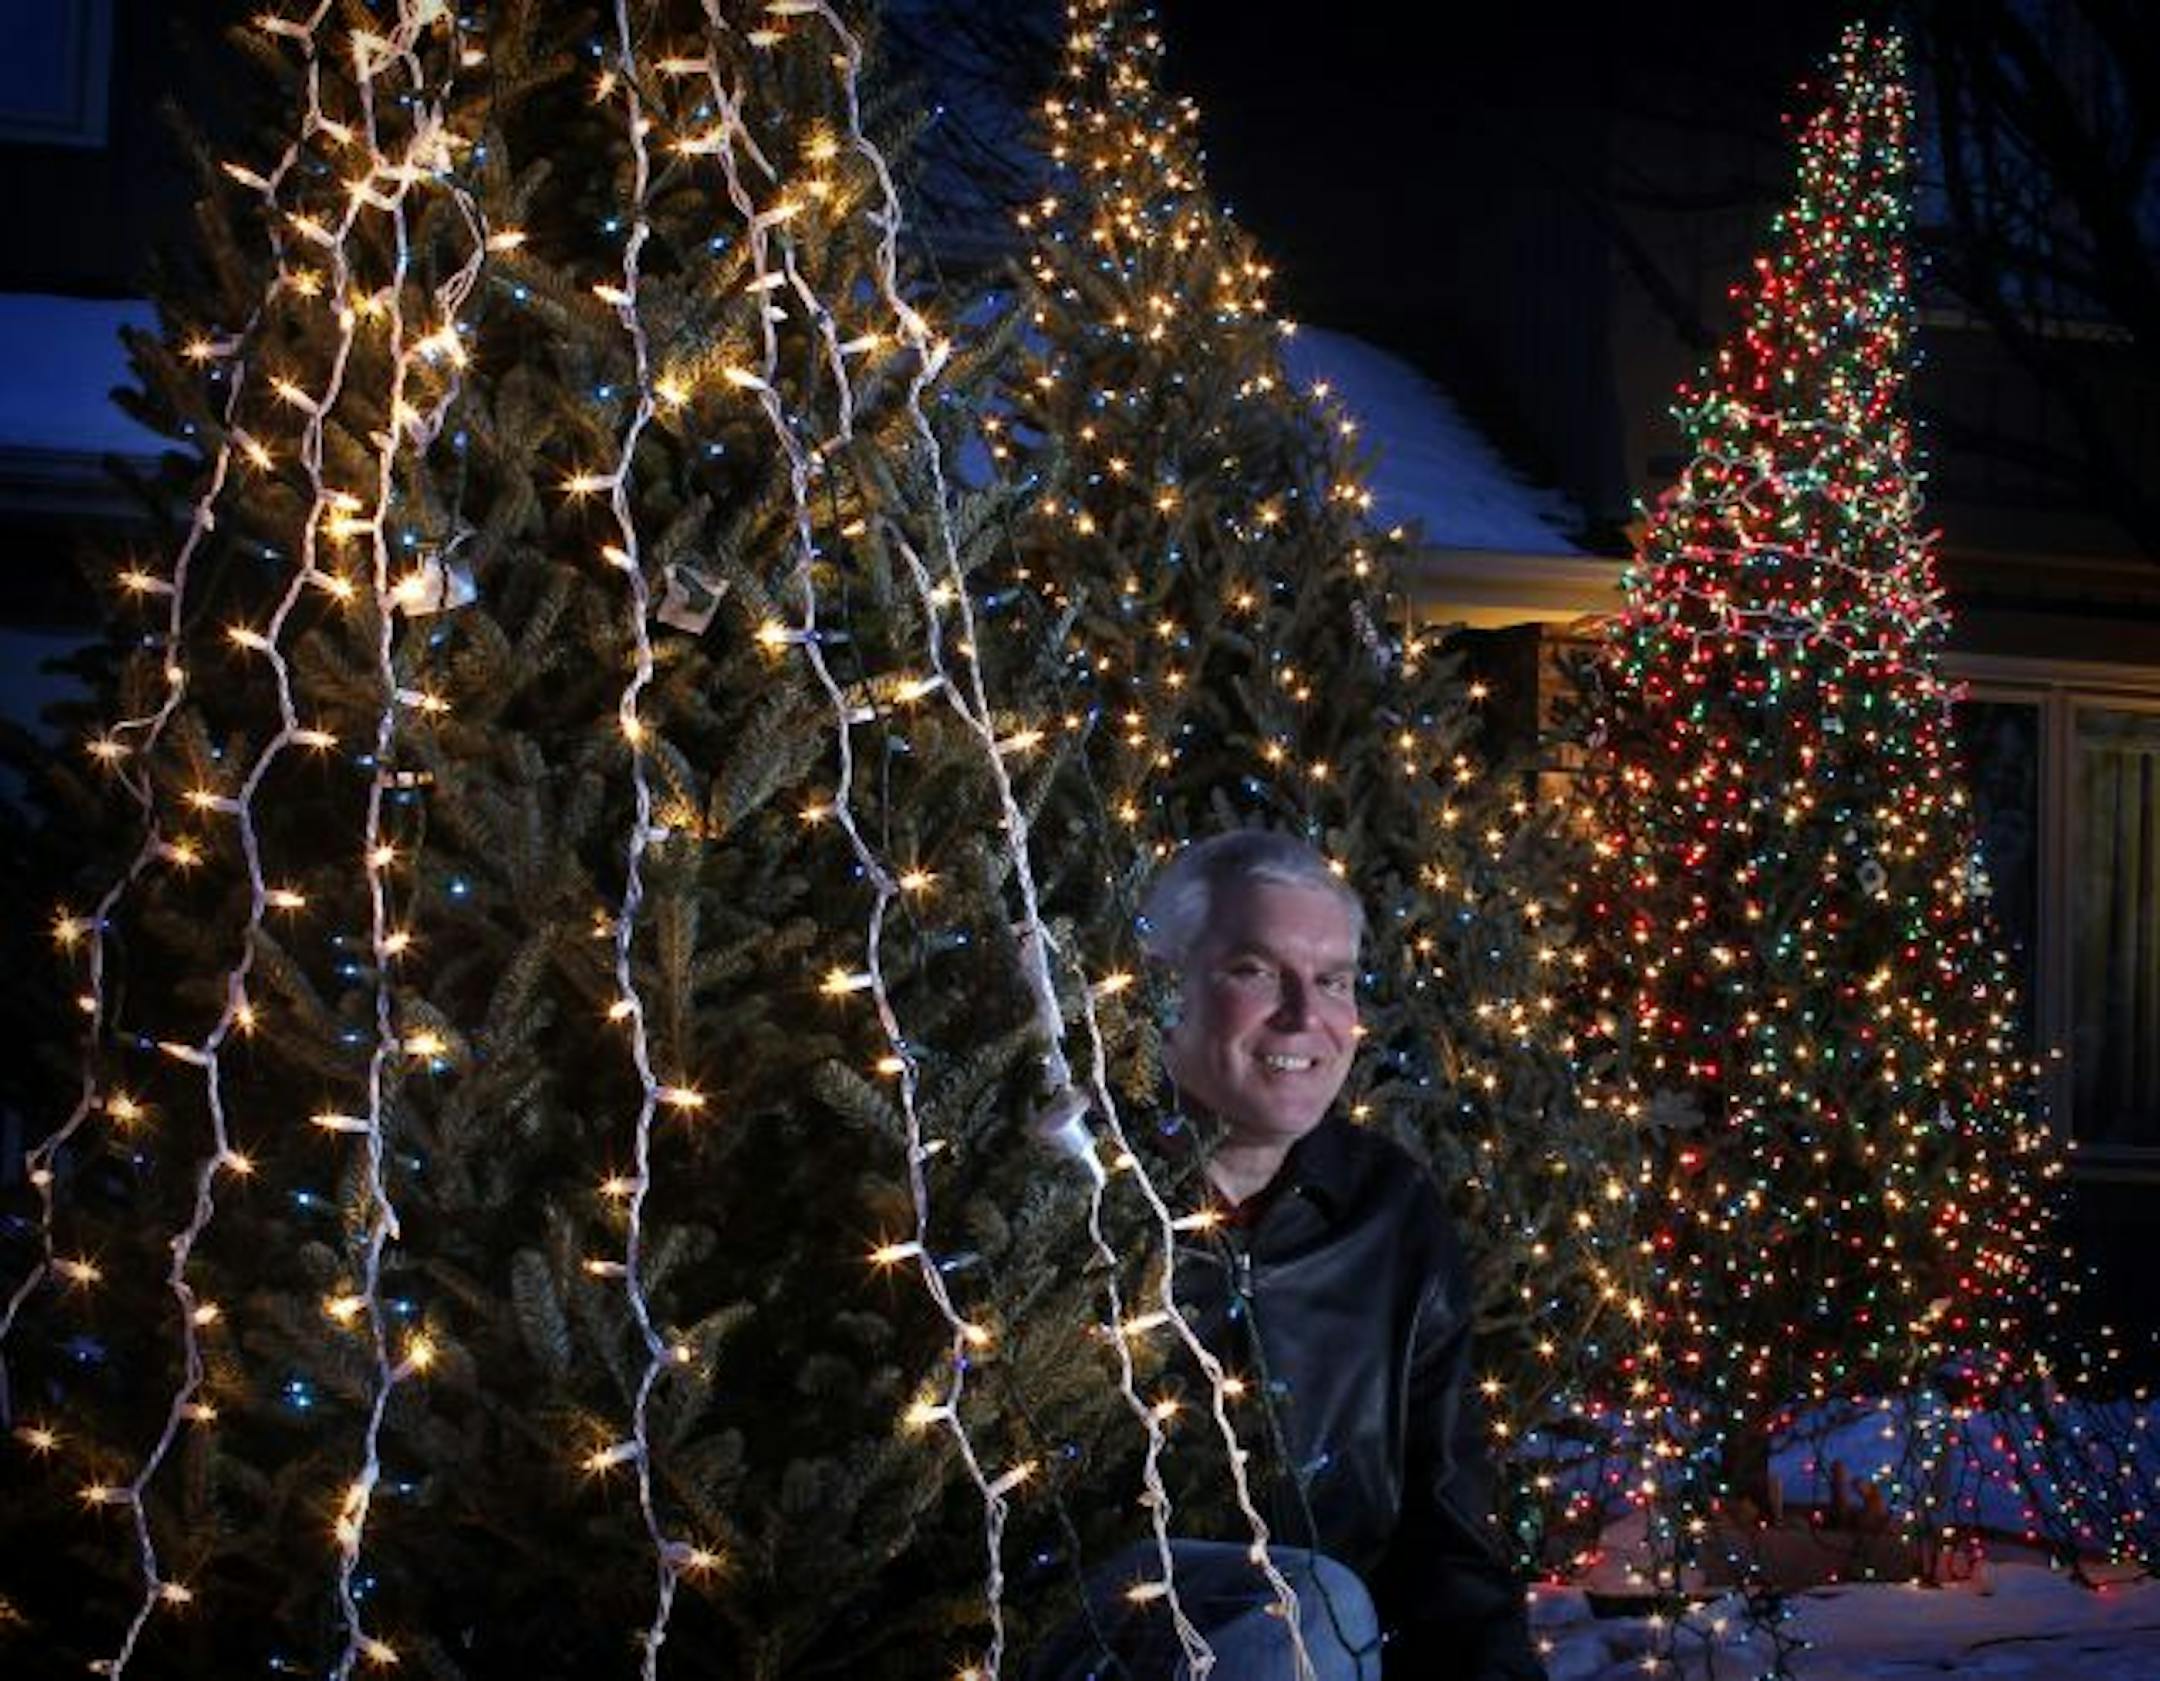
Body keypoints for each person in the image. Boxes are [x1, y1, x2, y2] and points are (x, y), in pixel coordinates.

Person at [1035, 830, 1546, 1681]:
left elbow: (1446, 1527)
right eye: (1256, 971)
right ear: (1166, 989)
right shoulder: (1073, 1200)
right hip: (1101, 1637)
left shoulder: (1389, 1212)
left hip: (1337, 1656)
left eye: (1334, 980)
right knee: (1301, 1603)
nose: (1307, 1017)